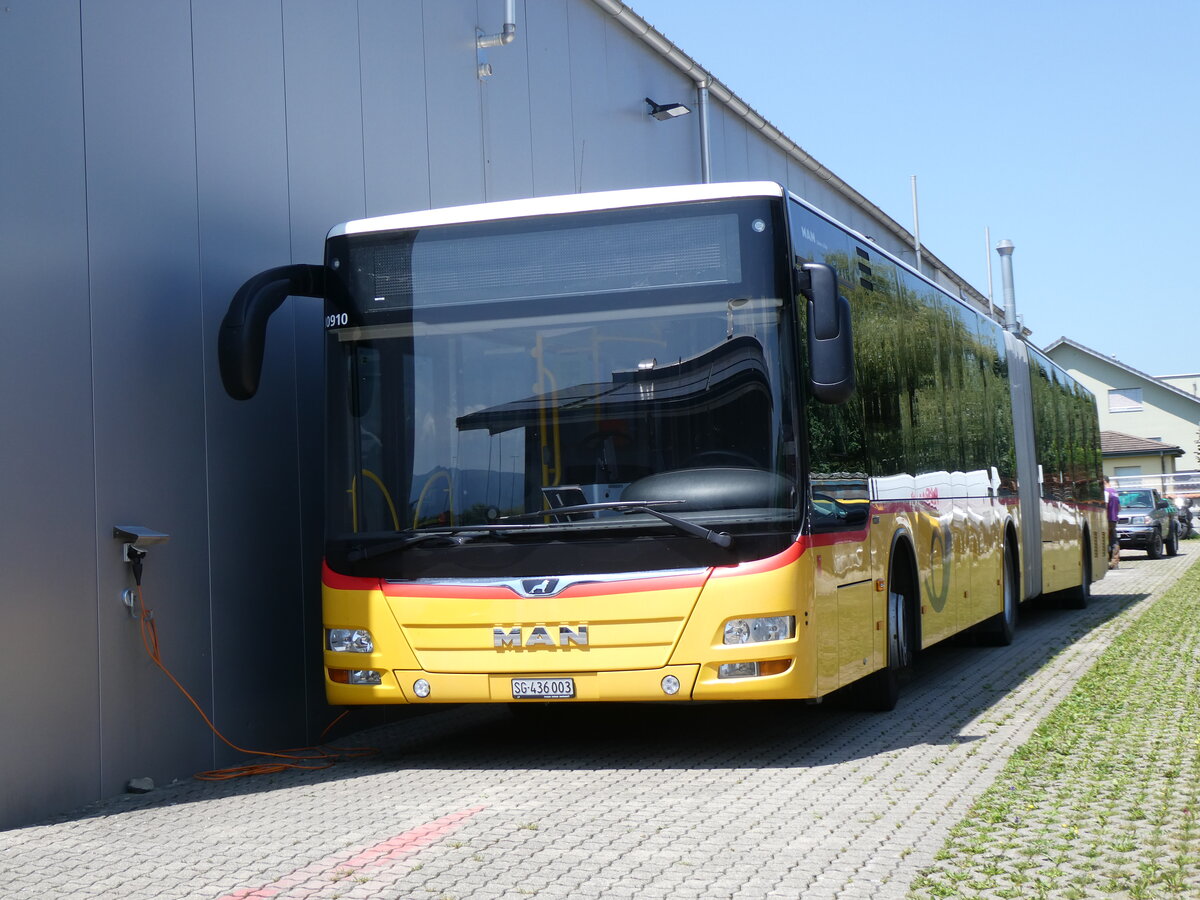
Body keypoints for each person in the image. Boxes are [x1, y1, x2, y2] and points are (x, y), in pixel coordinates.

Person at [1104, 476, 1121, 569]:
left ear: (1103, 481)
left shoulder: (1105, 492)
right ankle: (1115, 562)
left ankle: (1105, 562)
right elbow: (1119, 507)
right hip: (1114, 519)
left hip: (1106, 519)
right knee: (1114, 540)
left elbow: (1105, 507)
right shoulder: (1115, 492)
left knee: (1105, 541)